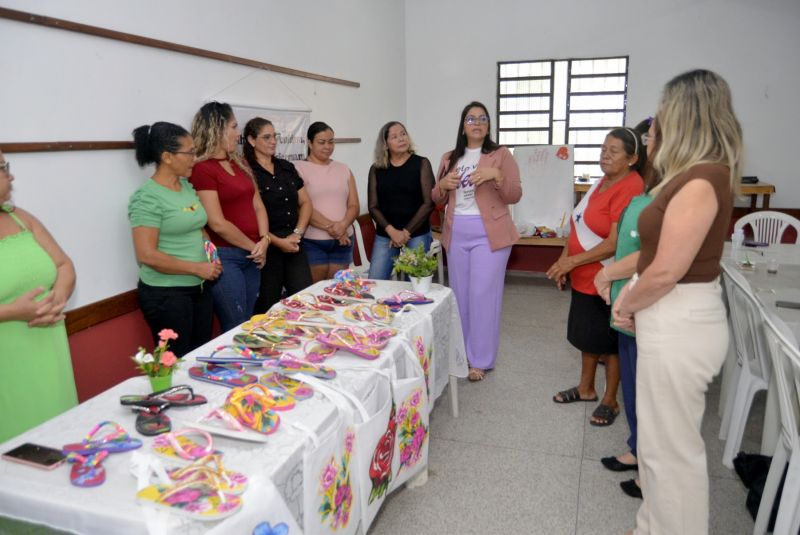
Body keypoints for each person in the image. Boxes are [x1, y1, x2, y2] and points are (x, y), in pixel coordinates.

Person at [613, 69, 741, 535]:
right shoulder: (688, 176)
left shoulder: (703, 180)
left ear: (685, 115)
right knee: (658, 448)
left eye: (662, 113)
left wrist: (627, 300)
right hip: (669, 316)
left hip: (681, 320)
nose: (653, 127)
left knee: (674, 454)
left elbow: (666, 270)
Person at [548, 126, 645, 426]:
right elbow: (578, 225)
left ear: (632, 158)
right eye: (604, 148)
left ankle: (610, 400)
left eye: (614, 151)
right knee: (588, 336)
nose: (605, 154)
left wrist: (572, 260)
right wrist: (565, 261)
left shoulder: (630, 185)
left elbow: (615, 242)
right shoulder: (603, 181)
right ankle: (586, 388)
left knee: (610, 342)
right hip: (584, 274)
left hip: (608, 276)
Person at [432, 101, 522, 382]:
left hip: (490, 234)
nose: (477, 123)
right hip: (456, 232)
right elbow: (436, 198)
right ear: (463, 125)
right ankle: (460, 353)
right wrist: (443, 187)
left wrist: (497, 176)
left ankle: (480, 360)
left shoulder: (500, 155)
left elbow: (514, 194)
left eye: (483, 118)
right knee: (459, 297)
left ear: (488, 125)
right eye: (471, 119)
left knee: (483, 295)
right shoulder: (449, 157)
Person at [592, 119, 656, 498]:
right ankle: (636, 449)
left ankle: (650, 466)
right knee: (634, 386)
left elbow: (650, 256)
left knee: (648, 391)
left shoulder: (659, 195)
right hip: (625, 306)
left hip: (643, 305)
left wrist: (607, 276)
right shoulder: (640, 194)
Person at [0, 150, 78, 442]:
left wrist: (57, 298)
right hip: (7, 363)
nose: (11, 175)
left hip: (48, 352)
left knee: (59, 439)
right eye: (3, 167)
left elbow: (64, 264)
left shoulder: (21, 218)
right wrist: (13, 312)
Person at [128, 122, 221, 358]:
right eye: (189, 152)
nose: (194, 158)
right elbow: (146, 254)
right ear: (167, 157)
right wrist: (197, 268)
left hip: (199, 288)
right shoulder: (147, 197)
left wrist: (212, 256)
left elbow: (199, 228)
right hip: (167, 296)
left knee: (198, 356)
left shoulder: (187, 187)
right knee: (176, 363)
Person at [189, 102, 269, 331]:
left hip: (253, 254)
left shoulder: (239, 162)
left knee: (248, 320)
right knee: (235, 325)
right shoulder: (203, 169)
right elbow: (217, 223)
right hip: (226, 257)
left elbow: (258, 205)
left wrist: (264, 240)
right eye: (234, 127)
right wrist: (255, 247)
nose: (238, 133)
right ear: (217, 129)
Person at [243, 117, 313, 311]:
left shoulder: (286, 167)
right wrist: (277, 241)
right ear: (251, 140)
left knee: (304, 301)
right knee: (268, 306)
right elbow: (251, 214)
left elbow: (306, 202)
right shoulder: (246, 171)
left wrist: (297, 234)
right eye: (266, 137)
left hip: (294, 241)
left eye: (274, 136)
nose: (273, 141)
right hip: (266, 246)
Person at [367, 121, 435, 280]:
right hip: (386, 234)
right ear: (385, 144)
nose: (401, 139)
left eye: (403, 134)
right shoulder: (377, 169)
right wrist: (392, 231)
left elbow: (428, 203)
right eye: (395, 136)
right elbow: (373, 206)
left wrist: (405, 233)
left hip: (416, 232)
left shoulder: (421, 163)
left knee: (416, 284)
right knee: (375, 282)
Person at [294, 122, 359, 283]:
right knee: (317, 293)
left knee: (338, 290)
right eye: (321, 142)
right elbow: (302, 205)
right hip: (313, 243)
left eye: (331, 142)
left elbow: (354, 205)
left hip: (343, 241)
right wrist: (335, 228)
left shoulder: (344, 169)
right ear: (309, 143)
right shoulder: (298, 168)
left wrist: (343, 225)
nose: (327, 147)